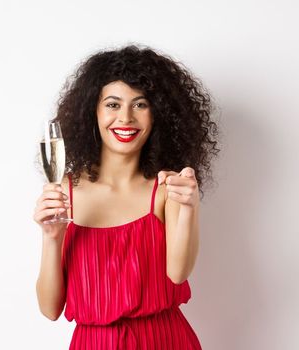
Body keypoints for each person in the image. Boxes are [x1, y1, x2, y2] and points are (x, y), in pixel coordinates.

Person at [33, 44, 220, 349]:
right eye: (113, 104)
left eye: (140, 104)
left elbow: (178, 273)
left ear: (157, 113)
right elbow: (49, 308)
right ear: (92, 110)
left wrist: (189, 207)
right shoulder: (64, 191)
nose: (126, 118)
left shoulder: (167, 188)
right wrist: (51, 236)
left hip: (164, 341)